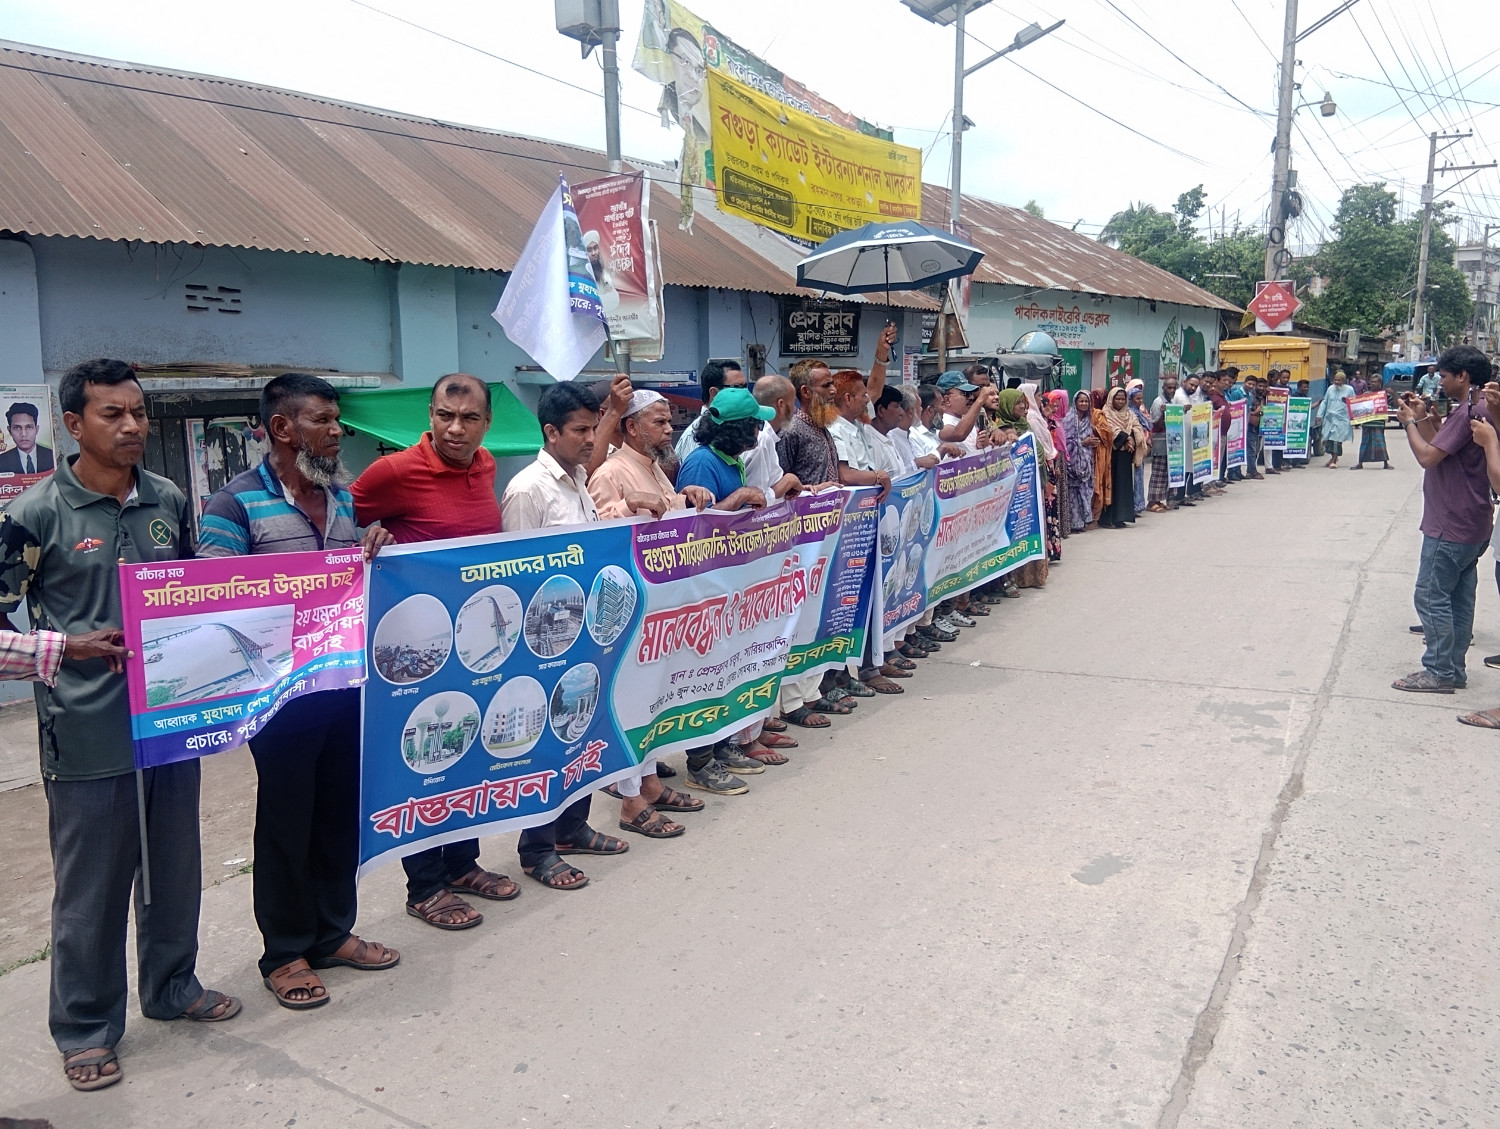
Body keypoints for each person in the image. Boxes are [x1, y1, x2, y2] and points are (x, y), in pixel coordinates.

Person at [0, 358, 240, 1092]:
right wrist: (60, 647)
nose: (133, 425)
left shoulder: (166, 498)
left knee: (173, 869)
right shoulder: (35, 514)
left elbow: (204, 587)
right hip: (85, 735)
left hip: (171, 723)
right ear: (73, 424)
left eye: (138, 411)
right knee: (93, 889)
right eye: (113, 413)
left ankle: (172, 986)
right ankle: (84, 1028)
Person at [197, 374, 399, 1005]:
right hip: (277, 699)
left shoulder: (343, 499)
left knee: (339, 809)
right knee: (287, 817)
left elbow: (354, 585)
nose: (337, 431)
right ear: (282, 428)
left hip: (344, 688)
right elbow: (210, 594)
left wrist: (376, 546)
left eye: (337, 420)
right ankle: (284, 952)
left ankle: (333, 932)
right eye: (323, 420)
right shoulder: (233, 505)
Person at [349, 373, 540, 926]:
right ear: (429, 416)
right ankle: (424, 885)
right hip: (417, 647)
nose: (455, 429)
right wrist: (370, 538)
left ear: (487, 424)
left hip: (476, 643)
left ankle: (462, 863)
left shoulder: (483, 465)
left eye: (468, 419)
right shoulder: (393, 471)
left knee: (468, 749)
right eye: (444, 416)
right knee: (424, 759)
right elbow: (341, 521)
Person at [501, 382, 631, 889]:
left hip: (586, 634)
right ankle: (536, 848)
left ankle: (572, 828)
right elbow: (515, 572)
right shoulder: (528, 490)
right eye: (581, 429)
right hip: (543, 642)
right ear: (551, 432)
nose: (590, 437)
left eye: (593, 427)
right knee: (547, 740)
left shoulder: (578, 479)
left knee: (581, 730)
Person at [586, 387, 719, 825]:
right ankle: (630, 801)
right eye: (660, 422)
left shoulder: (655, 468)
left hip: (659, 609)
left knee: (653, 699)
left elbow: (662, 512)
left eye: (669, 421)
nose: (669, 429)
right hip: (626, 610)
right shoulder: (610, 472)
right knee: (631, 699)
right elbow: (595, 534)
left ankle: (650, 783)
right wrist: (627, 505)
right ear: (631, 427)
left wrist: (688, 497)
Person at [675, 387, 783, 789]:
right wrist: (739, 497)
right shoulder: (702, 464)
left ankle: (720, 745)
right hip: (703, 588)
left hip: (729, 588)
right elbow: (693, 530)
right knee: (704, 672)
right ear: (738, 428)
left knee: (726, 671)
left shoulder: (730, 460)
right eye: (755, 422)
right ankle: (700, 763)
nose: (761, 427)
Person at [1391, 345, 1495, 694]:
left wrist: (1408, 424)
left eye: (1445, 375)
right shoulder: (1478, 409)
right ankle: (1454, 668)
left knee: (1431, 595)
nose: (1441, 381)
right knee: (1459, 598)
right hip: (1473, 520)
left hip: (1451, 520)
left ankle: (1438, 670)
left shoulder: (1470, 412)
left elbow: (1428, 457)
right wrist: (1424, 418)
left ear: (1462, 377)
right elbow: (1446, 447)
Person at [1099, 387, 1147, 529]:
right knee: (1111, 485)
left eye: (1122, 399)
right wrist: (1125, 438)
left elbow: (1137, 427)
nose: (1120, 402)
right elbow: (1109, 428)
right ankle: (1107, 519)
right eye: (1117, 399)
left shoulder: (1130, 414)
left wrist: (1132, 438)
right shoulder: (1105, 413)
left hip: (1126, 454)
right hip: (1112, 454)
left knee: (1124, 486)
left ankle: (1121, 517)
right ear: (1111, 399)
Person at [1063, 389, 1098, 532]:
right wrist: (1083, 442)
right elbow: (1066, 442)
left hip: (1085, 461)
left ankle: (1083, 521)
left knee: (1085, 491)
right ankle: (1074, 523)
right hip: (1073, 462)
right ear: (1075, 402)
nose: (1083, 404)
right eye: (1081, 401)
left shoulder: (1088, 419)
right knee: (1073, 492)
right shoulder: (1069, 419)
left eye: (1086, 401)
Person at [1353, 373, 1393, 470]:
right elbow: (1358, 407)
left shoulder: (1384, 395)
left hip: (1379, 423)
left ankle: (1385, 463)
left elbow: (1395, 403)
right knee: (1364, 442)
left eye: (1376, 382)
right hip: (1367, 422)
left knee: (1380, 442)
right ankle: (1360, 463)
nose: (1373, 384)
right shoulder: (1366, 395)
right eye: (1372, 382)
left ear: (1380, 383)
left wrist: (1393, 394)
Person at [0, 401, 54, 473]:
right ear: (10, 431)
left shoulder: (52, 456)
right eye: (17, 428)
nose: (23, 434)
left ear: (36, 429)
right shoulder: (2, 461)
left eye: (29, 427)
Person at [1319, 370, 1355, 468]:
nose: (1336, 382)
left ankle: (1334, 460)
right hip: (1329, 418)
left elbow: (1353, 403)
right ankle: (1333, 457)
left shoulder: (1349, 390)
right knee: (1327, 440)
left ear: (1343, 380)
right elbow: (1325, 402)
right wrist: (1319, 415)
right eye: (1335, 380)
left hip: (1342, 419)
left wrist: (1354, 419)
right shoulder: (1330, 389)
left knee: (1337, 440)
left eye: (1339, 380)